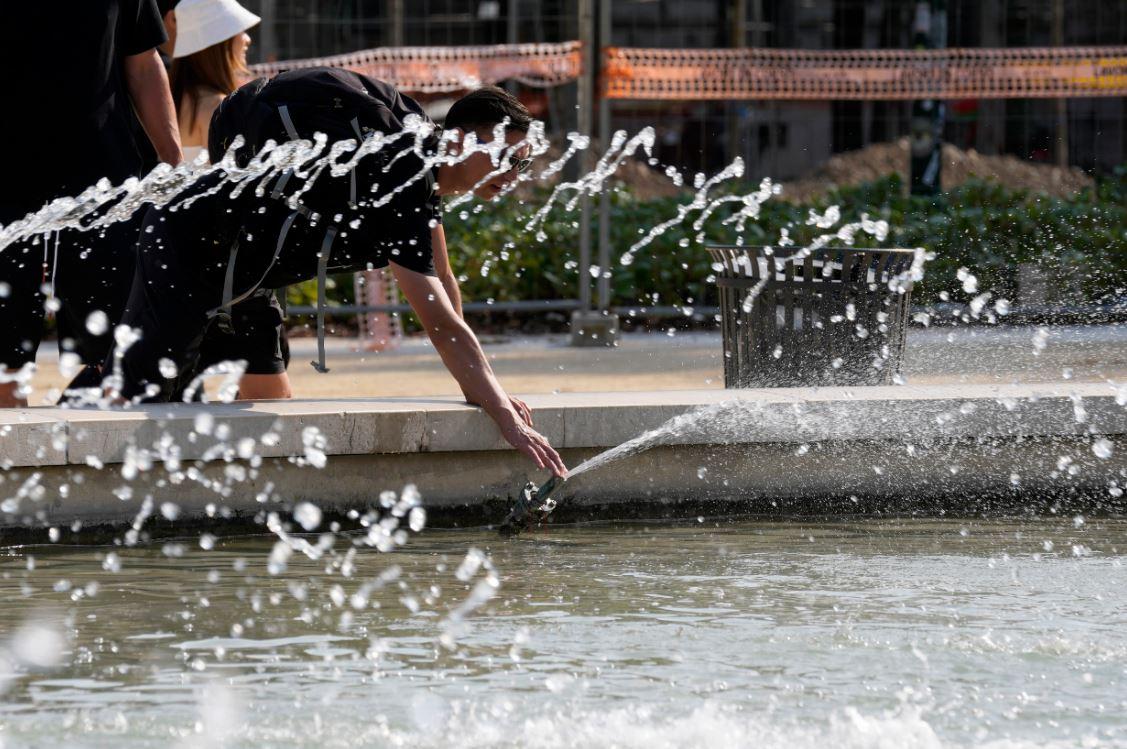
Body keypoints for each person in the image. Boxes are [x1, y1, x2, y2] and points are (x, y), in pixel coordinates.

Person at [106, 69, 566, 476]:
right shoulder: (402, 174)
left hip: (250, 275)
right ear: (462, 140)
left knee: (268, 405)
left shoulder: (414, 165)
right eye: (506, 159)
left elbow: (443, 283)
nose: (514, 175)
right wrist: (503, 413)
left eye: (522, 163)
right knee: (140, 405)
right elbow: (440, 323)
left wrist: (482, 391)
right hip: (189, 250)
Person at [0, 1, 182, 408]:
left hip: (103, 187)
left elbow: (142, 59)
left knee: (115, 357)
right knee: (5, 360)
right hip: (6, 188)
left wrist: (174, 165)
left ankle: (106, 464)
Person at [166, 0, 294, 401]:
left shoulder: (166, 103)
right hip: (229, 270)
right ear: (217, 43)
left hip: (173, 265)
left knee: (181, 398)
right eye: (239, 31)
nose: (248, 38)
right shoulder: (223, 108)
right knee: (270, 405)